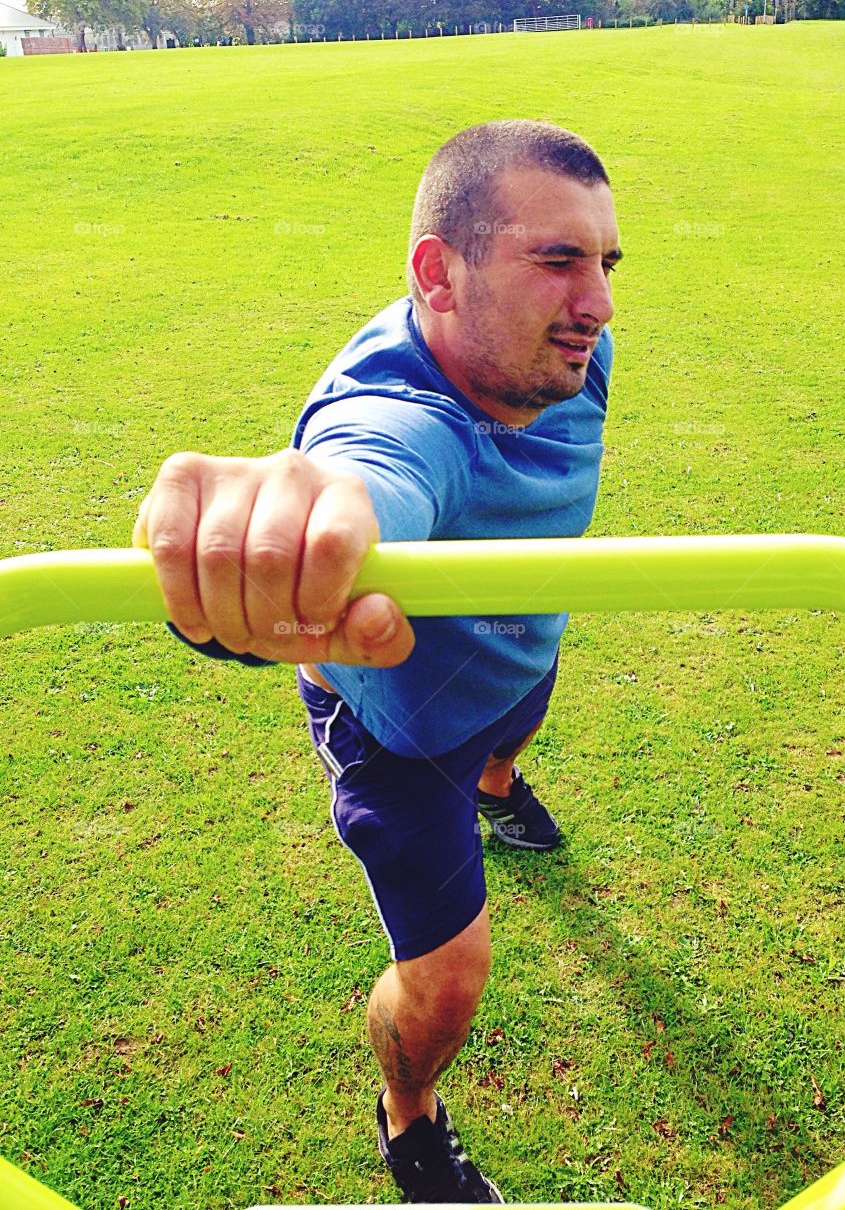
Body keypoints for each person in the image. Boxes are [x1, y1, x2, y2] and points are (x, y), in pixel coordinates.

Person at [133, 119, 621, 1202]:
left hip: (516, 645)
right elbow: (363, 466)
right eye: (558, 260)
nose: (597, 302)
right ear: (436, 276)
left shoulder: (566, 348)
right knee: (447, 981)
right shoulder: (398, 412)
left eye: (604, 262)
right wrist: (285, 547)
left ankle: (501, 778)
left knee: (520, 713)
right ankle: (410, 1118)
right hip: (398, 730)